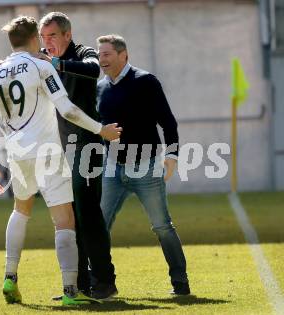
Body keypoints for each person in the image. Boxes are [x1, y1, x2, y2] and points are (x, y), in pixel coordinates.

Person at [0, 16, 121, 306]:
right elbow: (68, 110)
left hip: (18, 154)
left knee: (21, 211)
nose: (46, 42)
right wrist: (102, 129)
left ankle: (10, 276)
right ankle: (72, 291)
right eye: (42, 36)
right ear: (34, 39)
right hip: (49, 152)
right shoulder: (41, 66)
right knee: (65, 220)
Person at [96, 34, 191, 295]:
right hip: (112, 169)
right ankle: (102, 283)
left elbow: (168, 123)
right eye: (99, 54)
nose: (101, 58)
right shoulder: (100, 88)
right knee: (98, 227)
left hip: (147, 167)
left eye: (106, 54)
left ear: (123, 55)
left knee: (162, 226)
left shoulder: (146, 81)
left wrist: (171, 156)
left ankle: (180, 282)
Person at [37, 12, 118, 299]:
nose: (47, 43)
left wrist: (56, 63)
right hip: (61, 148)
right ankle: (80, 284)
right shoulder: (42, 59)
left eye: (53, 36)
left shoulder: (84, 53)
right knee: (70, 217)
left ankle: (105, 282)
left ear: (67, 35)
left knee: (88, 213)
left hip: (88, 146)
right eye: (43, 37)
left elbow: (93, 70)